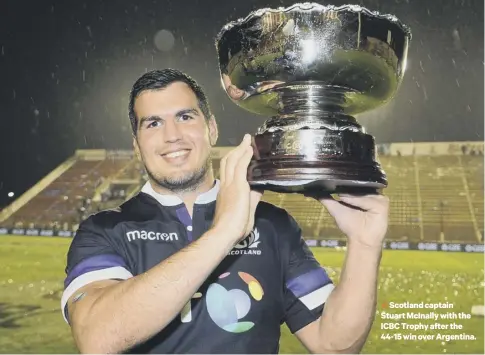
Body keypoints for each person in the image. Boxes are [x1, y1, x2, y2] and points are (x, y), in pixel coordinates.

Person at [61, 69, 389, 354]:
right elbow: (97, 337)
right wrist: (224, 231)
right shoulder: (105, 230)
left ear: (212, 128)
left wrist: (364, 243)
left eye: (185, 116)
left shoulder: (272, 226)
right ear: (136, 144)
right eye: (153, 123)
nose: (172, 135)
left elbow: (334, 345)